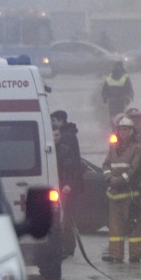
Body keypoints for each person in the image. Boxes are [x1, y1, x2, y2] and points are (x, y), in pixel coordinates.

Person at [101, 115, 141, 263]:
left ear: (132, 131)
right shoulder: (113, 148)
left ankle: (135, 255)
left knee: (134, 227)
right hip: (114, 196)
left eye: (126, 129)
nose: (123, 132)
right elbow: (106, 165)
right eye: (121, 129)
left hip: (130, 195)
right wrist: (109, 178)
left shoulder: (138, 149)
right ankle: (116, 255)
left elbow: (134, 170)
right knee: (115, 228)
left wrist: (119, 181)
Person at [51, 110, 83, 257]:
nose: (52, 122)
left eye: (55, 120)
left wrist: (69, 184)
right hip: (63, 185)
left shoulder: (67, 140)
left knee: (66, 217)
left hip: (67, 187)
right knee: (65, 216)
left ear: (61, 120)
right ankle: (67, 246)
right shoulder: (66, 138)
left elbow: (71, 165)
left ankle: (67, 246)